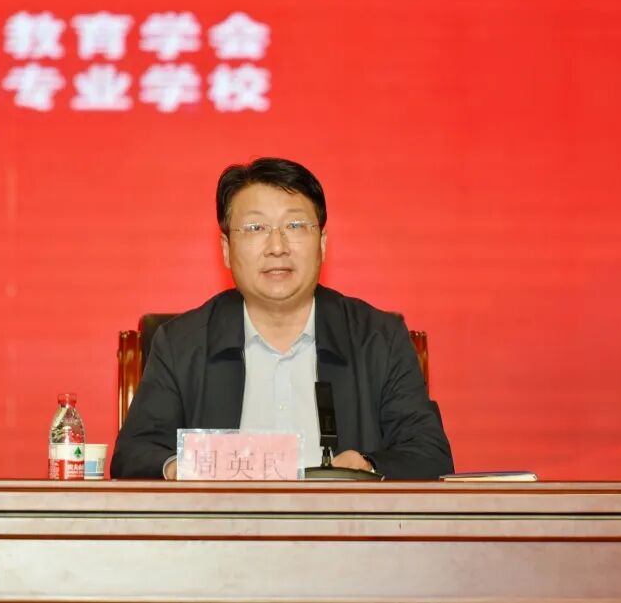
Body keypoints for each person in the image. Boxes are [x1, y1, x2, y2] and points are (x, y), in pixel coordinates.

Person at [111, 157, 453, 480]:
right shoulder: (181, 344)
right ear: (226, 250)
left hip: (342, 523)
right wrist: (184, 468)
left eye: (295, 225)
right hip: (221, 524)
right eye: (255, 227)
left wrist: (367, 466)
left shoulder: (378, 339)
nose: (277, 246)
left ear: (322, 244)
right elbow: (134, 454)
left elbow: (429, 453)